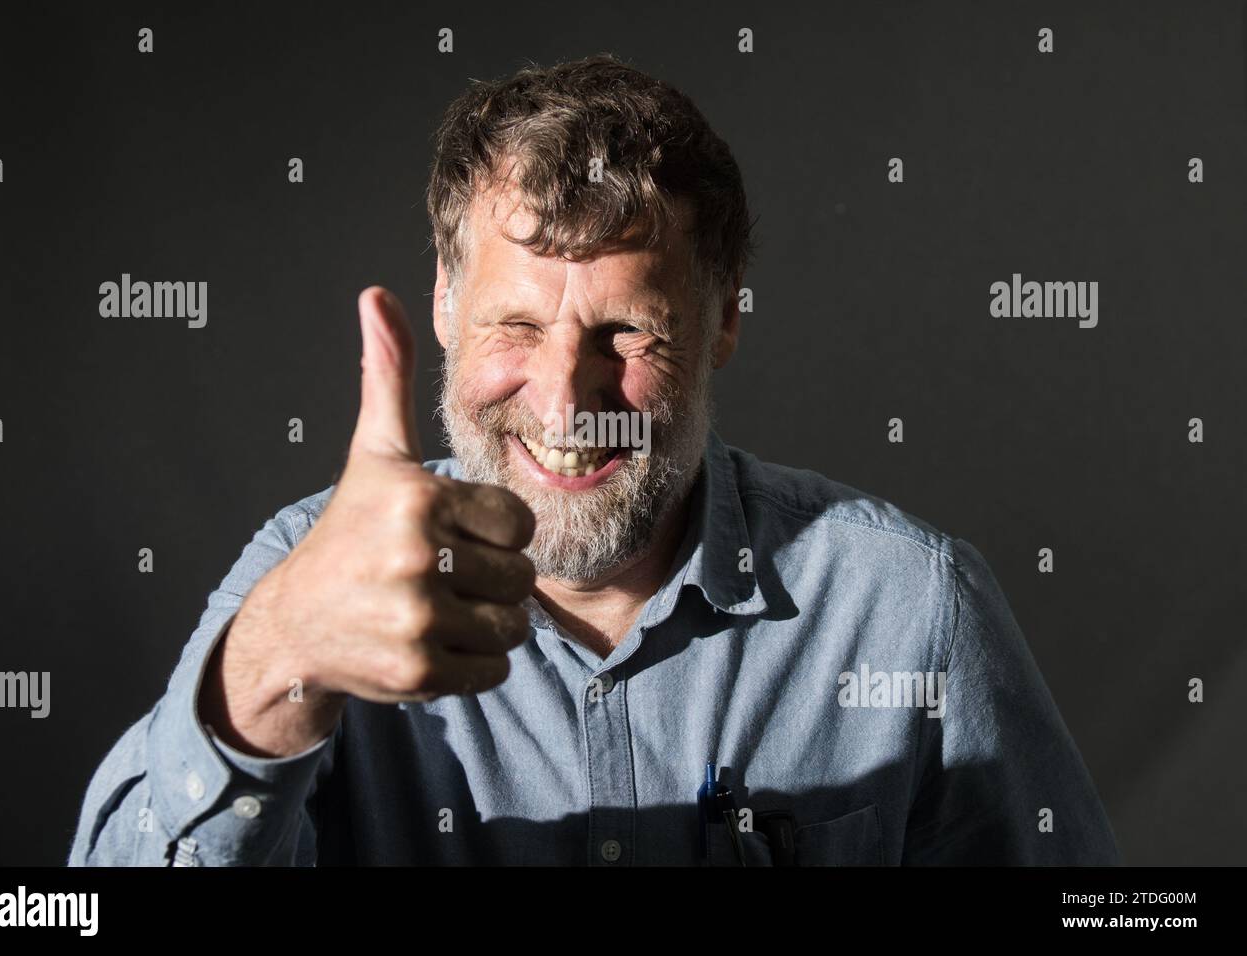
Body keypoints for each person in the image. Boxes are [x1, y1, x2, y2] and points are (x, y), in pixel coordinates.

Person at [69, 54, 1120, 866]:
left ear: (721, 324)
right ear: (443, 303)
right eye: (512, 325)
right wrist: (268, 671)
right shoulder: (310, 571)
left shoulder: (910, 608)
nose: (566, 398)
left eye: (629, 334)